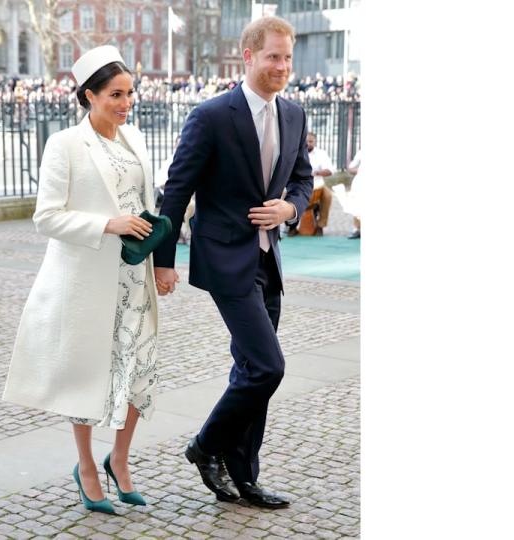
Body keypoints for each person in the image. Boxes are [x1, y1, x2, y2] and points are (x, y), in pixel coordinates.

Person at [153, 16, 313, 509]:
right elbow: (176, 191)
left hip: (270, 262)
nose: (282, 66)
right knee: (267, 366)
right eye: (272, 57)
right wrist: (163, 261)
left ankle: (245, 476)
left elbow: (302, 181)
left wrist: (291, 208)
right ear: (248, 56)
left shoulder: (294, 114)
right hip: (225, 259)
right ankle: (206, 448)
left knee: (249, 369)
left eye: (287, 57)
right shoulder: (211, 115)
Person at [1, 46, 163, 515]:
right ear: (89, 95)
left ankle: (121, 459)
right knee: (90, 375)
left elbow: (141, 201)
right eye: (115, 94)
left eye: (130, 93)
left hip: (135, 276)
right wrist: (106, 224)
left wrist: (162, 255)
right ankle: (87, 467)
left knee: (138, 372)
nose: (125, 103)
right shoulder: (65, 144)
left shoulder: (135, 139)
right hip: (90, 281)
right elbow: (46, 217)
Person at [288, 131, 335, 236]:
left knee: (328, 195)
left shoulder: (321, 154)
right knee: (284, 196)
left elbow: (330, 171)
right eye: (306, 141)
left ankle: (320, 226)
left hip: (318, 186)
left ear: (315, 142)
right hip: (299, 186)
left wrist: (316, 173)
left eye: (311, 141)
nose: (308, 143)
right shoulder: (295, 152)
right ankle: (291, 226)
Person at [345, 149, 362, 239]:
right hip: (360, 182)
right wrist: (360, 171)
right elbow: (350, 168)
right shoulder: (361, 152)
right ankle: (357, 229)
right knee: (357, 205)